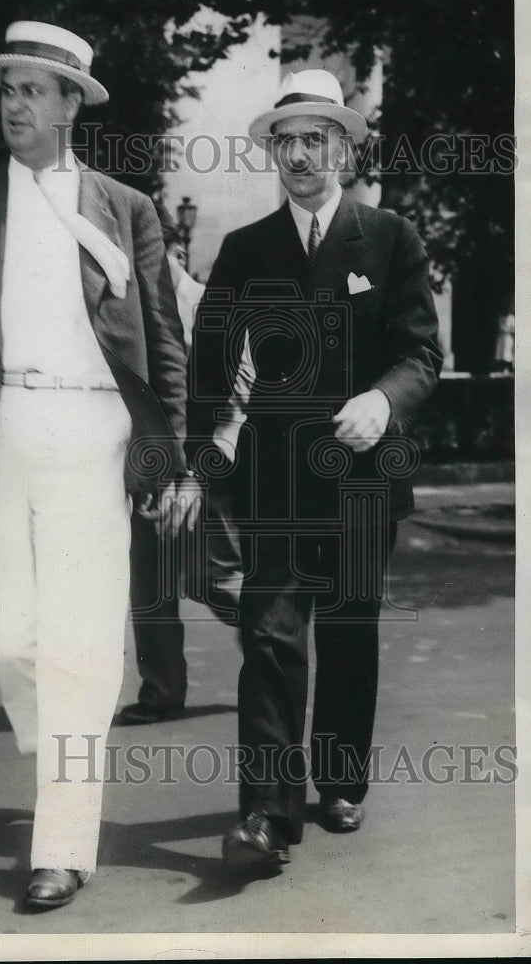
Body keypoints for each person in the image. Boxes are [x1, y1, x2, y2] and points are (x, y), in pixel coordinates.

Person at [0, 21, 197, 910]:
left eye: (32, 89)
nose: (14, 104)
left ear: (72, 105)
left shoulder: (125, 208)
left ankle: (60, 841)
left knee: (77, 646)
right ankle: (64, 743)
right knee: (10, 638)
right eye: (6, 88)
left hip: (92, 437)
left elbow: (164, 346)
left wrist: (168, 458)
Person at [187, 69, 442, 871]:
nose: (298, 155)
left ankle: (339, 781)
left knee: (351, 630)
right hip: (275, 484)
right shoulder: (245, 250)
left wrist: (383, 400)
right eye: (284, 141)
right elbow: (208, 369)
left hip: (367, 477)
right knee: (268, 637)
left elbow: (422, 352)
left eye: (314, 139)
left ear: (343, 147)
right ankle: (266, 814)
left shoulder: (390, 238)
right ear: (271, 153)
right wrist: (202, 464)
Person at [119, 217, 249, 725]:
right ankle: (161, 692)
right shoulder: (132, 304)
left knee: (212, 576)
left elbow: (237, 403)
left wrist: (198, 474)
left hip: (199, 464)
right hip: (146, 458)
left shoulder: (206, 309)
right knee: (148, 581)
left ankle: (277, 652)